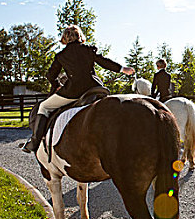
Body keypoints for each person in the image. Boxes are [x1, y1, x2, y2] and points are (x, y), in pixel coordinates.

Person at [21, 25, 134, 153]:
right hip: (94, 88)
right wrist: (123, 69)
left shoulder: (61, 56)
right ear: (80, 36)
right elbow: (104, 62)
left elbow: (50, 75)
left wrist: (56, 84)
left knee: (44, 107)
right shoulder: (89, 49)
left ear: (64, 38)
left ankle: (34, 142)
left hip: (73, 92)